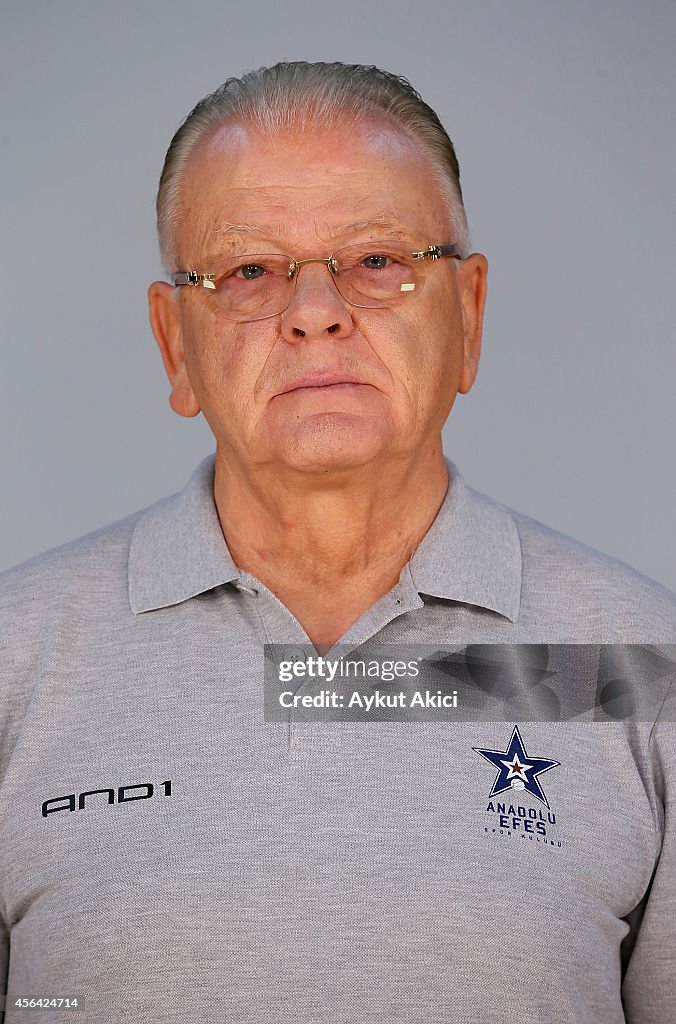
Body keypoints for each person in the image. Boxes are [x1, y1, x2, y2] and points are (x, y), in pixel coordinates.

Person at [0, 61, 674, 1024]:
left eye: (377, 260)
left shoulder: (639, 665)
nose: (315, 311)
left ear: (470, 317)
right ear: (174, 346)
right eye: (248, 271)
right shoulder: (15, 662)